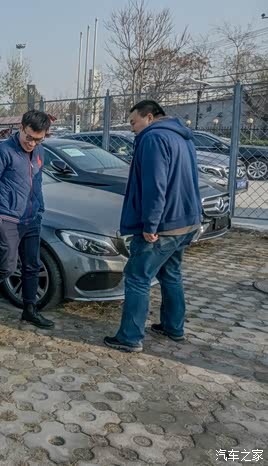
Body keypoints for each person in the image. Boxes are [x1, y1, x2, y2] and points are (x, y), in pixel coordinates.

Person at [104, 100, 203, 353]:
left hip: (163, 225)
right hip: (185, 220)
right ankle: (173, 327)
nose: (132, 128)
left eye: (133, 122)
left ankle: (129, 337)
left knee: (137, 276)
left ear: (148, 117)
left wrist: (151, 224)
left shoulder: (153, 138)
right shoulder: (183, 137)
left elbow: (155, 185)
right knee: (171, 274)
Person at [0, 110, 53, 329]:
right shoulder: (2, 152)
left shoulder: (39, 151)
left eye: (38, 139)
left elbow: (37, 182)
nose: (32, 143)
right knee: (7, 266)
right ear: (21, 128)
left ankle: (29, 310)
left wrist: (40, 208)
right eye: (29, 137)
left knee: (32, 265)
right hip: (7, 219)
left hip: (31, 219)